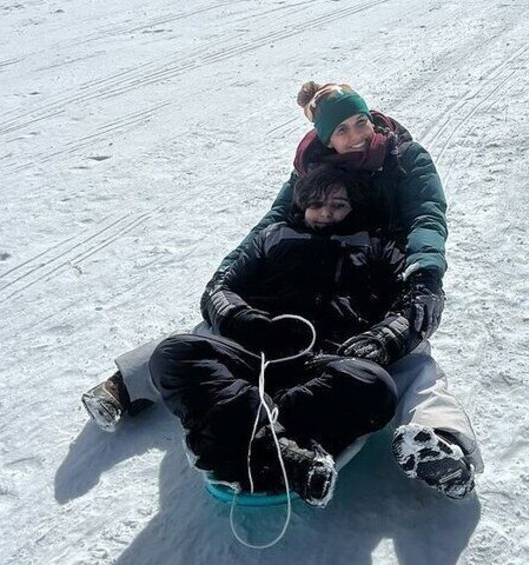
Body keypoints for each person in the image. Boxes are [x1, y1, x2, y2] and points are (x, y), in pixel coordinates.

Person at [81, 82, 483, 499]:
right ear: (325, 139)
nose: (355, 135)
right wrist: (231, 282)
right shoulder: (308, 173)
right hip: (291, 303)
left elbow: (427, 217)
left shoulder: (404, 160)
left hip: (376, 272)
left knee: (409, 362)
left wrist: (421, 277)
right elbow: (271, 221)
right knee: (206, 331)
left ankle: (444, 444)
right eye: (340, 130)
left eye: (359, 122)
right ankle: (126, 385)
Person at [150, 166, 422, 507]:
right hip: (255, 353)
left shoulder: (377, 246)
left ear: (356, 207)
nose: (326, 213)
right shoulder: (274, 236)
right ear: (303, 204)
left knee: (375, 386)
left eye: (338, 205)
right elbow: (219, 289)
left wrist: (380, 338)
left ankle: (241, 431)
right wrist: (244, 319)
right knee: (173, 353)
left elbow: (409, 302)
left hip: (323, 362)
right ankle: (284, 454)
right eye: (317, 204)